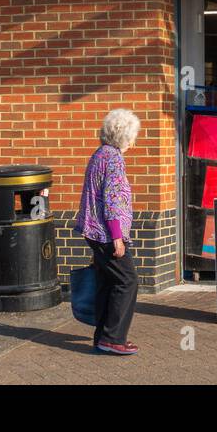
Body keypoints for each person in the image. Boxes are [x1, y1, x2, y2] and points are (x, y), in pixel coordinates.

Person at [74, 108, 141, 356]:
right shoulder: (113, 159)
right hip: (106, 233)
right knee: (127, 281)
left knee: (107, 282)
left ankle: (102, 337)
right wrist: (117, 237)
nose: (134, 142)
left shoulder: (99, 154)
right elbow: (113, 200)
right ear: (124, 136)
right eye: (133, 136)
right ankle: (113, 338)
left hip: (93, 231)